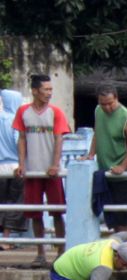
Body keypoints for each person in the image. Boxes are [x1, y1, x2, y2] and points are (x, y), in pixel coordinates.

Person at [12, 74, 70, 265]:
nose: (49, 93)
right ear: (35, 91)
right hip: (32, 170)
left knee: (57, 211)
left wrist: (54, 164)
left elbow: (59, 139)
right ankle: (40, 253)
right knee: (35, 213)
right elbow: (21, 138)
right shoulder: (23, 112)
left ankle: (62, 251)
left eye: (51, 89)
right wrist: (21, 163)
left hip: (51, 171)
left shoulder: (55, 112)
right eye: (46, 89)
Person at [84, 85, 127, 233]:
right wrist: (90, 154)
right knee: (110, 217)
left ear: (116, 98)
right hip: (104, 172)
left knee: (122, 218)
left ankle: (123, 251)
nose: (107, 107)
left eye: (110, 103)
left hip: (121, 176)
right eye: (103, 104)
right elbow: (97, 133)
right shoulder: (98, 111)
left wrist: (122, 166)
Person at [0, 89, 26, 248]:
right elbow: (20, 142)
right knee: (15, 201)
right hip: (16, 166)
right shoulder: (17, 121)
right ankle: (7, 239)